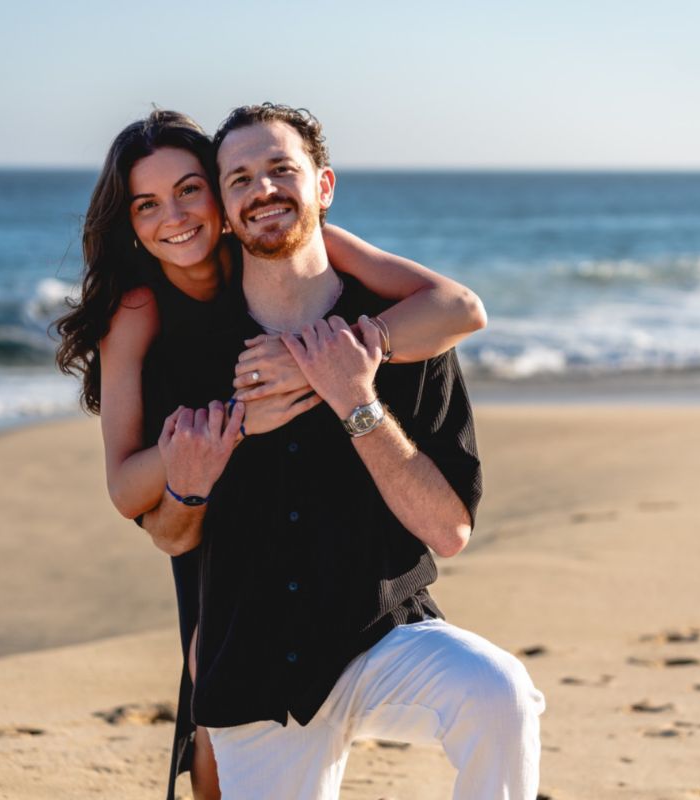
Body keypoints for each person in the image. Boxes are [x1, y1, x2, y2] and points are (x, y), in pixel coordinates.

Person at [55, 109, 488, 800]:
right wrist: (235, 423)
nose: (175, 216)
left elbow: (458, 307)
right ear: (129, 221)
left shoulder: (281, 244)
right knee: (214, 744)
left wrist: (329, 359)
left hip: (285, 522)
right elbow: (127, 487)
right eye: (147, 204)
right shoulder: (138, 309)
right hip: (213, 523)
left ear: (219, 199)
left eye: (189, 190)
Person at [143, 103, 545, 800]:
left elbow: (448, 531)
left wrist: (355, 399)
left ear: (323, 186)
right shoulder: (189, 354)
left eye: (281, 169)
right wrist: (190, 485)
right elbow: (170, 534)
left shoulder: (408, 334)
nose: (263, 190)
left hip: (384, 637)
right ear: (225, 211)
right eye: (239, 179)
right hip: (254, 669)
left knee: (499, 693)